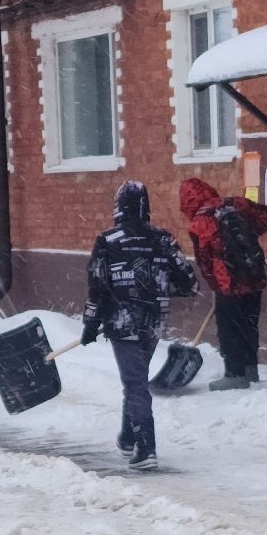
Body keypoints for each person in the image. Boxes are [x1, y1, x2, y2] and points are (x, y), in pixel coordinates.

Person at [82, 181, 197, 469]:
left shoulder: (107, 241)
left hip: (123, 322)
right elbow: (188, 283)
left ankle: (146, 448)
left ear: (118, 207)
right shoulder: (164, 240)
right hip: (153, 321)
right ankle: (128, 438)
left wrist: (90, 323)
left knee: (134, 384)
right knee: (136, 380)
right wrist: (159, 287)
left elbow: (97, 286)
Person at [179, 177, 267, 391]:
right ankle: (250, 370)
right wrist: (246, 234)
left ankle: (234, 374)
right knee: (249, 324)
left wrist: (215, 286)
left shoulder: (199, 222)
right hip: (253, 274)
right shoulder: (235, 203)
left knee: (229, 328)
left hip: (228, 281)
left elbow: (204, 261)